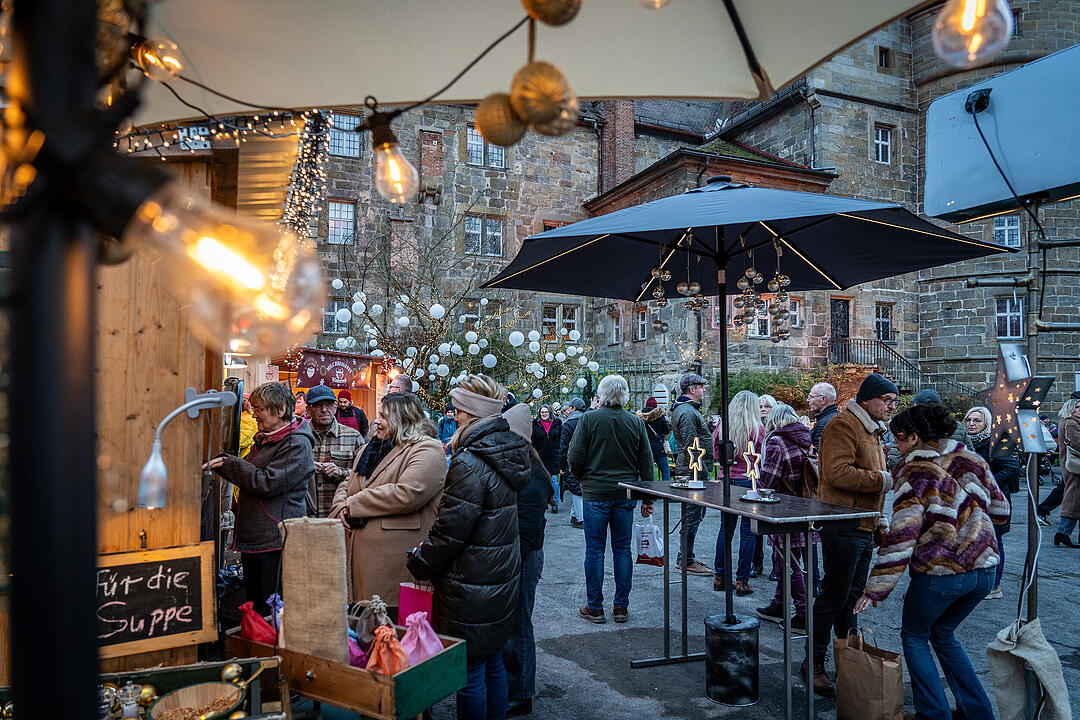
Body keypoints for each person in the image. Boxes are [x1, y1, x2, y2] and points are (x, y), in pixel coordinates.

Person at [855, 403, 1009, 720]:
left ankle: (933, 714)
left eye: (898, 437)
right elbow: (1001, 510)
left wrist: (876, 589)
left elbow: (903, 535)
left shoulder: (914, 473)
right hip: (984, 569)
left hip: (941, 571)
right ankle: (978, 712)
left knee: (914, 637)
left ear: (914, 437)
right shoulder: (970, 458)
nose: (894, 445)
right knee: (943, 634)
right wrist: (970, 520)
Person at [406, 374, 531, 720]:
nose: (454, 415)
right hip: (498, 574)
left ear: (473, 413)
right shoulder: (505, 450)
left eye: (459, 409)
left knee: (471, 669)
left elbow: (451, 530)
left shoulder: (470, 461)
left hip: (471, 581)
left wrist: (420, 561)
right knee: (491, 660)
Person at [806, 373, 896, 698]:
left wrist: (880, 520)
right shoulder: (843, 426)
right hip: (842, 524)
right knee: (833, 597)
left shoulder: (871, 429)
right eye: (887, 400)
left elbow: (872, 479)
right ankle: (813, 664)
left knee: (851, 600)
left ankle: (849, 662)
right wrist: (883, 481)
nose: (892, 407)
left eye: (894, 402)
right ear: (867, 400)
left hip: (862, 526)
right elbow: (836, 473)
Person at [327, 392, 445, 619]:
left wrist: (352, 503)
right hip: (358, 564)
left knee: (391, 628)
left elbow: (408, 493)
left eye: (384, 416)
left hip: (393, 567)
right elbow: (348, 482)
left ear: (404, 419)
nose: (377, 421)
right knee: (363, 626)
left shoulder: (427, 449)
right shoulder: (371, 448)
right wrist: (340, 504)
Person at [204, 381, 313, 615]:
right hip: (258, 540)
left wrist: (229, 464)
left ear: (281, 410)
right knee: (257, 604)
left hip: (275, 541)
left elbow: (267, 483)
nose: (254, 415)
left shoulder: (297, 444)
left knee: (271, 608)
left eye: (259, 409)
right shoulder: (267, 438)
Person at [568, 375, 655, 624]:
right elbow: (646, 462)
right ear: (624, 395)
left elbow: (574, 456)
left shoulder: (589, 419)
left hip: (595, 492)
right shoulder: (635, 422)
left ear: (601, 394)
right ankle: (621, 607)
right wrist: (647, 498)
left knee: (595, 550)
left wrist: (581, 478)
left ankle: (595, 607)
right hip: (624, 493)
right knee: (622, 549)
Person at [502, 403, 553, 718]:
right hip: (519, 553)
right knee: (513, 623)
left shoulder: (532, 471)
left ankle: (521, 694)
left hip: (524, 555)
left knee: (519, 624)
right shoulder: (522, 464)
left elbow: (528, 525)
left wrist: (512, 562)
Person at [755, 403, 814, 630]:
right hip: (806, 507)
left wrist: (756, 486)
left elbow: (768, 480)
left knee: (789, 563)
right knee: (786, 560)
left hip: (783, 509)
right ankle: (780, 604)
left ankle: (803, 614)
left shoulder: (777, 441)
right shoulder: (806, 439)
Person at [711, 390, 766, 596]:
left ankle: (720, 576)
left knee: (725, 530)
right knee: (747, 532)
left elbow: (717, 453)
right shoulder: (757, 429)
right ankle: (742, 580)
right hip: (748, 481)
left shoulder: (723, 427)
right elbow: (762, 456)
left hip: (727, 479)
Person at [964, 405, 1019, 598]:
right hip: (974, 502)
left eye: (977, 420)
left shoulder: (995, 442)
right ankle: (979, 583)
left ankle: (995, 585)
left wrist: (987, 484)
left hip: (995, 503)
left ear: (986, 423)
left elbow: (1012, 468)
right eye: (969, 420)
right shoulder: (967, 443)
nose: (972, 424)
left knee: (995, 542)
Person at [672, 373, 714, 576]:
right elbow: (692, 447)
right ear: (692, 389)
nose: (704, 390)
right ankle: (686, 560)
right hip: (693, 472)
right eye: (701, 386)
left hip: (693, 470)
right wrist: (704, 474)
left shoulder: (688, 409)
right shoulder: (687, 412)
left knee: (693, 516)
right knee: (692, 516)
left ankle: (686, 556)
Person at [306, 384, 363, 518]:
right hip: (305, 517)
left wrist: (340, 472)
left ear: (335, 407)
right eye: (318, 405)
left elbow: (366, 477)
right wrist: (305, 469)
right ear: (308, 410)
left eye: (329, 405)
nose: (324, 410)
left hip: (340, 516)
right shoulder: (298, 437)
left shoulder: (353, 437)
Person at [1053, 398, 1080, 547]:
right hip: (1074, 467)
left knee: (1075, 500)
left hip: (1073, 466)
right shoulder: (1070, 423)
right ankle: (1062, 533)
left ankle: (1062, 534)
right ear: (1070, 409)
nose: (1079, 410)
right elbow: (1077, 443)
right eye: (1077, 407)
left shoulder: (1072, 422)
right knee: (1073, 500)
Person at [559, 397, 587, 528]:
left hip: (571, 460)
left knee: (575, 489)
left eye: (570, 407)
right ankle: (575, 516)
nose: (568, 409)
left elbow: (563, 446)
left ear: (573, 408)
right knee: (578, 487)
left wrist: (561, 465)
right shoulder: (587, 421)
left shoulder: (568, 424)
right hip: (587, 460)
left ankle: (581, 519)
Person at [532, 405, 562, 513]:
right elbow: (532, 441)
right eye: (542, 412)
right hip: (540, 458)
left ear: (550, 413)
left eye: (546, 412)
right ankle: (543, 501)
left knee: (554, 481)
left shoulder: (557, 424)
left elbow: (561, 440)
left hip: (554, 456)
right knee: (542, 481)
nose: (544, 414)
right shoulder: (535, 425)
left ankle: (555, 503)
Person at [637, 396, 672, 483]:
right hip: (658, 447)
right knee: (665, 470)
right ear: (656, 406)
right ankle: (665, 487)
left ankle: (644, 488)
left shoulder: (639, 417)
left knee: (643, 470)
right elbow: (666, 431)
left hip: (644, 447)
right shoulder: (660, 416)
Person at [807, 382, 840, 452]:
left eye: (811, 397)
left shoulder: (824, 424)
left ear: (823, 399)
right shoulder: (838, 416)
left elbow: (818, 455)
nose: (808, 400)